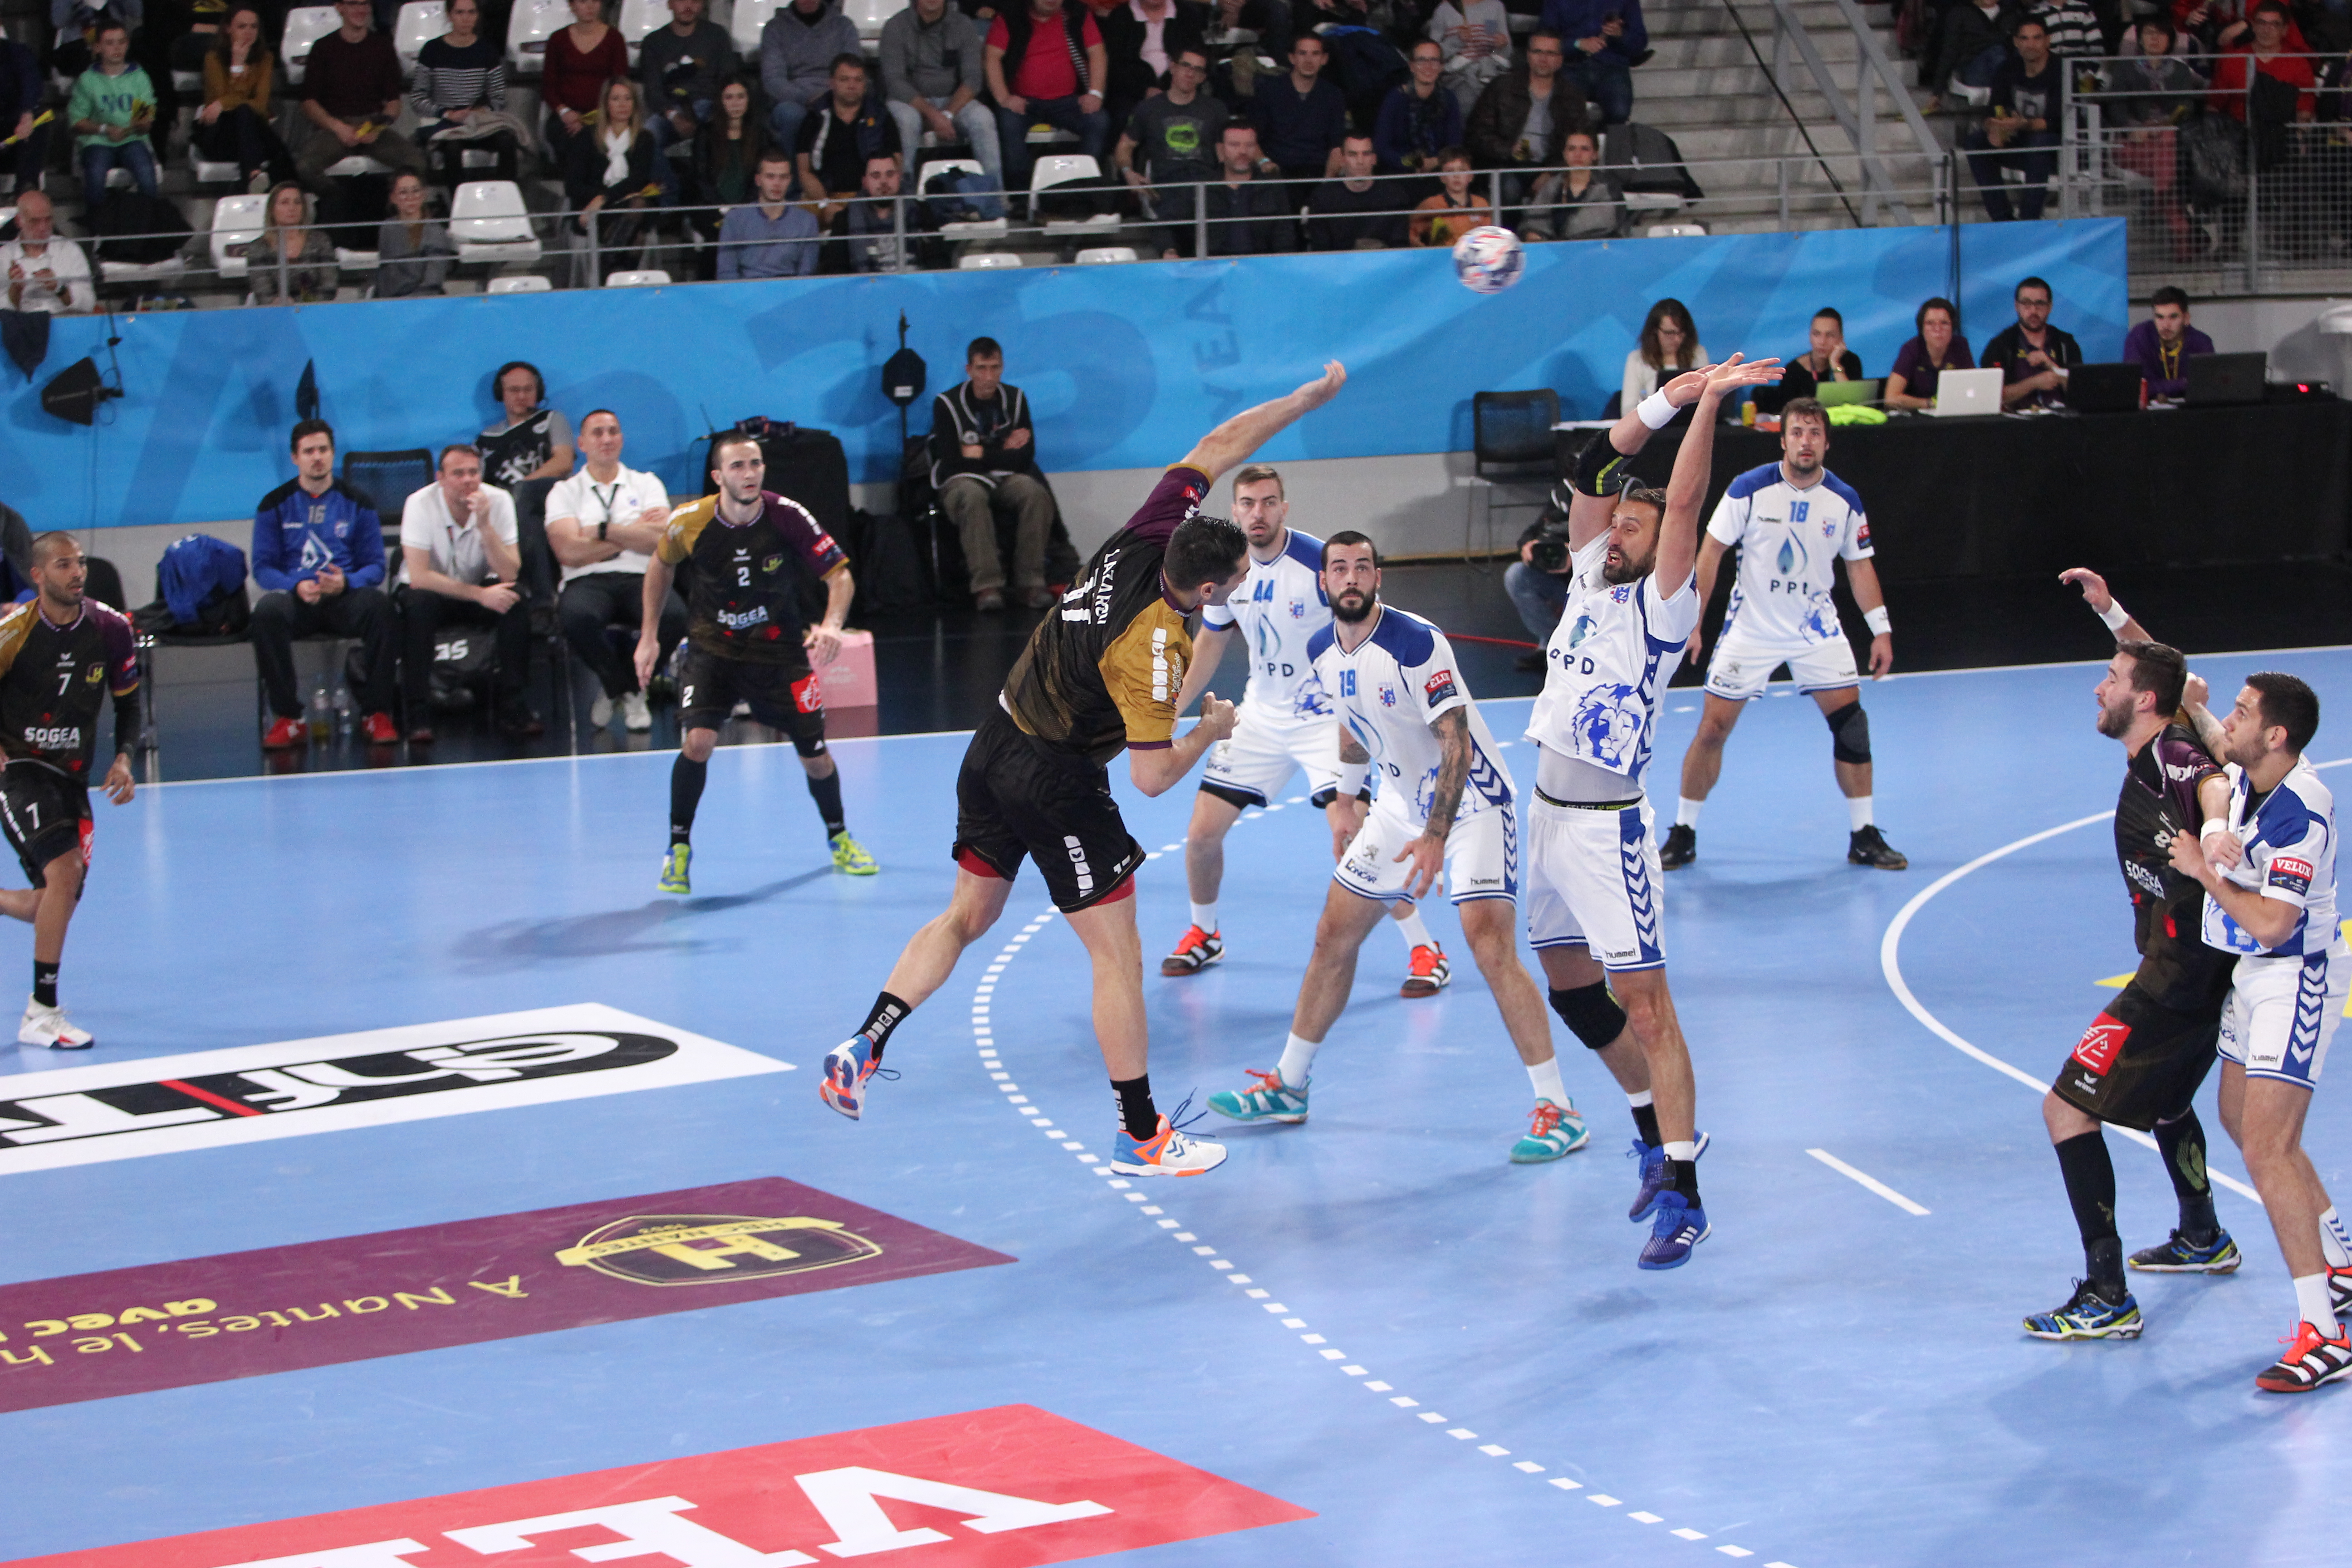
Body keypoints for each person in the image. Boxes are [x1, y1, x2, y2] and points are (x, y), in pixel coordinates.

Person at [816, 363, 1349, 1180]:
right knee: (1116, 957)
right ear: (1206, 586)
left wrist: (1303, 401)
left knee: (965, 915)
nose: (1240, 587)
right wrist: (1207, 732)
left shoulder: (1141, 534)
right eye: (1234, 583)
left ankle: (864, 1040)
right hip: (1054, 779)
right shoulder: (1159, 650)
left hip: (992, 739)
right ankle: (1140, 1133)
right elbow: (1148, 780)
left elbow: (1217, 443)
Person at [1522, 352, 1782, 1268]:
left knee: (1650, 1008)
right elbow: (1594, 466)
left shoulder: (1667, 606)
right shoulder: (1592, 574)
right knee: (1563, 976)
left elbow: (1686, 500)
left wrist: (1707, 406)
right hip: (1548, 819)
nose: (1620, 525)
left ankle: (1686, 1186)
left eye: (1636, 519)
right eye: (1617, 519)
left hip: (1606, 830)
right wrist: (1665, 398)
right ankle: (1646, 1127)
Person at [1205, 528, 1580, 1159]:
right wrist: (1349, 800)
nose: (1351, 578)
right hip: (1397, 810)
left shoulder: (1415, 643)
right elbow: (1352, 729)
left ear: (1378, 578)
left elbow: (1454, 742)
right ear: (1324, 583)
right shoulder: (1324, 648)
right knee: (1334, 935)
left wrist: (1436, 835)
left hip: (1473, 808)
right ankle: (1289, 1086)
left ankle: (1559, 1109)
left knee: (1488, 943)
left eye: (1363, 568)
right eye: (1340, 569)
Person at [2020, 571, 2239, 1343]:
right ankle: (2200, 1232)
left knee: (2064, 1108)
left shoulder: (2177, 759)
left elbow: (2210, 785)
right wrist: (2106, 609)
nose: (2096, 688)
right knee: (2167, 1097)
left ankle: (2105, 1291)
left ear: (2140, 702)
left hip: (2174, 981)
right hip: (2195, 968)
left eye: (2108, 681)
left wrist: (2211, 838)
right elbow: (2153, 661)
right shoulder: (2157, 726)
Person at [1161, 466, 1444, 995]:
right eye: (1248, 503)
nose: (1258, 514)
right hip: (1260, 718)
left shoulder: (1318, 563)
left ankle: (1426, 947)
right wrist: (1174, 709)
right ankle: (1205, 931)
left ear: (1284, 508)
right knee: (1201, 836)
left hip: (1326, 721)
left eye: (1269, 502)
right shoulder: (1229, 570)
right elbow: (1213, 640)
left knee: (1356, 837)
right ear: (1235, 507)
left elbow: (1366, 620)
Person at [2163, 672, 2352, 1392]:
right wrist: (2111, 613)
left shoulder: (2303, 810)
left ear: (2276, 735)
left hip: (2296, 976)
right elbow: (2177, 691)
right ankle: (2341, 1261)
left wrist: (2203, 869)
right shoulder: (2249, 766)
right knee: (2241, 1122)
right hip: (2254, 972)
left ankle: (2325, 1335)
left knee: (2270, 1147)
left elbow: (2276, 922)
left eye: (2242, 713)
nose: (2226, 723)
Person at [1660, 396, 1906, 872]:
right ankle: (1683, 833)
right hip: (1751, 628)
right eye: (1798, 432)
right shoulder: (1748, 490)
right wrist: (1694, 622)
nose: (1806, 441)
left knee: (1852, 727)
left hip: (1816, 630)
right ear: (1783, 439)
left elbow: (1860, 567)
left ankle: (1864, 835)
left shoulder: (1845, 500)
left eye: (1814, 433)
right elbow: (1709, 553)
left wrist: (1881, 631)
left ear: (1827, 442)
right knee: (1712, 729)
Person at [636, 434, 875, 892]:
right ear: (718, 476)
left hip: (778, 654)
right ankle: (678, 848)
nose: (749, 474)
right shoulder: (689, 521)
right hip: (712, 649)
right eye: (739, 466)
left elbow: (839, 576)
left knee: (816, 757)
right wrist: (648, 637)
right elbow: (660, 566)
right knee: (698, 742)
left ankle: (840, 837)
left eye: (756, 464)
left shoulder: (787, 515)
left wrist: (830, 625)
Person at [0, 534, 138, 1051]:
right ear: (38, 575)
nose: (77, 572)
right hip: (18, 768)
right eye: (64, 565)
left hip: (72, 775)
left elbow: (129, 703)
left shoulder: (110, 628)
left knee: (55, 902)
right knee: (66, 872)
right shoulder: (12, 632)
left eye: (80, 563)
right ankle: (42, 1013)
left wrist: (123, 757)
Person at [250, 419, 399, 750]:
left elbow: (376, 565)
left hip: (343, 598)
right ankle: (289, 718)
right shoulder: (274, 504)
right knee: (266, 613)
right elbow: (262, 567)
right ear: (295, 458)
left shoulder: (358, 501)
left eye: (323, 450)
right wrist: (296, 585)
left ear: (333, 454)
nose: (317, 457)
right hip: (299, 599)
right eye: (309, 452)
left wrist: (346, 583)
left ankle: (376, 713)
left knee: (382, 608)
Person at [547, 408, 683, 733]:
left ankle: (631, 689)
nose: (606, 439)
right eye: (597, 433)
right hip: (586, 579)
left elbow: (660, 542)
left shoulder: (647, 484)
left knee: (675, 615)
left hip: (642, 575)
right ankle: (619, 687)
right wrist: (632, 531)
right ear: (581, 443)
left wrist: (603, 530)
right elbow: (568, 551)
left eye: (613, 432)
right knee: (577, 617)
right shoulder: (565, 492)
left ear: (621, 439)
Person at [397, 445, 540, 743]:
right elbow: (420, 577)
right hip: (430, 590)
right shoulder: (419, 503)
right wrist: (478, 595)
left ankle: (513, 705)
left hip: (475, 587)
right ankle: (418, 711)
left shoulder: (498, 501)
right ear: (441, 478)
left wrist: (486, 526)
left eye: (473, 472)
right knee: (418, 605)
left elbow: (510, 573)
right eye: (458, 474)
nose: (467, 480)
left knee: (515, 599)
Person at [932, 337, 1056, 612]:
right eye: (982, 368)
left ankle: (1031, 582)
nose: (989, 376)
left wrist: (979, 452)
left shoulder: (1016, 399)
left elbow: (1025, 457)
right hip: (961, 480)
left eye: (995, 368)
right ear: (969, 370)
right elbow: (952, 461)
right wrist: (1002, 449)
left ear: (1003, 368)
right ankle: (987, 586)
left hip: (1005, 476)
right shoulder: (947, 404)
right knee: (972, 496)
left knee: (1034, 492)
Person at [294, 0, 427, 192]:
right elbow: (309, 103)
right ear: (340, 7)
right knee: (305, 166)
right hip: (335, 126)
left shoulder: (382, 47)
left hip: (372, 123)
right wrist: (338, 128)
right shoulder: (323, 48)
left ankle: (393, 205)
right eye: (353, 4)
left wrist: (379, 126)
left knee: (417, 163)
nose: (360, 10)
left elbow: (394, 102)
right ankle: (339, 202)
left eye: (364, 4)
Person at [1115, 43, 1225, 257]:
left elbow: (1224, 152)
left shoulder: (1215, 109)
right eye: (1186, 66)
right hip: (1167, 186)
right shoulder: (1149, 108)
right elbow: (1124, 146)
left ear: (1203, 78)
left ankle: (1174, 251)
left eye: (1198, 70)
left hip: (1205, 187)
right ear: (1173, 68)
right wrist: (1129, 173)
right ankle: (1170, 252)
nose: (1191, 73)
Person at [985, 0, 1109, 190]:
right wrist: (1004, 98)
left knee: (1099, 121)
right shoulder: (1011, 17)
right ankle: (1022, 196)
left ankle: (1082, 187)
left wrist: (1095, 93)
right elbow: (992, 57)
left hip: (1068, 101)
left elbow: (1097, 52)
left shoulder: (1077, 15)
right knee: (1008, 123)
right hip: (1024, 103)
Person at [879, 0, 1001, 185]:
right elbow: (895, 82)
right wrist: (933, 115)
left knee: (983, 119)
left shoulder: (963, 25)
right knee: (905, 122)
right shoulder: (895, 26)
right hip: (909, 102)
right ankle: (903, 199)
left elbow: (973, 80)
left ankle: (995, 198)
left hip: (953, 100)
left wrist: (946, 114)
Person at [1964, 16, 2063, 222]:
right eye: (2024, 39)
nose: (2031, 44)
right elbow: (1992, 111)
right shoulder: (2008, 68)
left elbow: (2057, 122)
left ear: (2048, 41)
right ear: (2017, 42)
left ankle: (2029, 219)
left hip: (2056, 149)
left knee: (2040, 142)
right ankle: (2002, 218)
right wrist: (1995, 128)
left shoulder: (2060, 70)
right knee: (1976, 141)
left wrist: (2023, 124)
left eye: (2037, 38)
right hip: (2018, 138)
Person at [563, 75, 662, 279]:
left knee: (638, 205)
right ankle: (620, 280)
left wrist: (603, 198)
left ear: (635, 104)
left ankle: (607, 269)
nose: (623, 105)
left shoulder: (644, 139)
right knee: (637, 236)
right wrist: (596, 200)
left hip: (626, 204)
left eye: (628, 99)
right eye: (616, 99)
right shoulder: (587, 137)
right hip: (593, 208)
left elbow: (636, 180)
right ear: (606, 104)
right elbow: (573, 185)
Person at [409, 0, 518, 184]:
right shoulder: (432, 50)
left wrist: (480, 112)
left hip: (479, 122)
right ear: (450, 15)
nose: (466, 19)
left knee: (507, 141)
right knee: (453, 148)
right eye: (460, 13)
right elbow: (418, 97)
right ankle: (456, 205)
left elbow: (499, 96)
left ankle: (505, 197)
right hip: (446, 124)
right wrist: (447, 113)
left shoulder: (487, 50)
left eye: (471, 13)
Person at [1465, 31, 1587, 187]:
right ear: (1528, 55)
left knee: (1558, 189)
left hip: (1552, 168)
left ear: (1560, 59)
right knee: (1509, 189)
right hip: (1507, 165)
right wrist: (1509, 150)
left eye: (1551, 53)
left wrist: (1551, 172)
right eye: (1538, 52)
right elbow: (1477, 133)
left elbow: (1581, 141)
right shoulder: (1502, 87)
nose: (1543, 59)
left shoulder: (1572, 96)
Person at [195, 7, 294, 195]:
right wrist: (238, 66)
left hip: (252, 132)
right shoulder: (213, 59)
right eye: (242, 27)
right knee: (244, 113)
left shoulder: (265, 58)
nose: (249, 32)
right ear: (228, 29)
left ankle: (256, 178)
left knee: (245, 113)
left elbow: (261, 105)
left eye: (254, 27)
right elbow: (224, 107)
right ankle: (261, 177)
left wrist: (222, 104)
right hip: (220, 135)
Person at [794, 53, 900, 226]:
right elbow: (804, 171)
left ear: (865, 85)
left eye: (858, 80)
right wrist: (826, 204)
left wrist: (868, 203)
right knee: (797, 222)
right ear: (831, 83)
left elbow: (896, 163)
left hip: (868, 198)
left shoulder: (881, 116)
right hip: (824, 198)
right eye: (845, 79)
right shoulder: (815, 116)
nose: (852, 85)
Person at [68, 19, 158, 216]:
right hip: (97, 141)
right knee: (95, 173)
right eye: (110, 43)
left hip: (132, 139)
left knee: (146, 174)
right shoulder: (87, 80)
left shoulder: (139, 77)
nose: (117, 48)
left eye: (121, 42)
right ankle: (98, 227)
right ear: (98, 47)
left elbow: (145, 123)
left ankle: (149, 226)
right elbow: (77, 122)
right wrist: (105, 130)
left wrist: (141, 124)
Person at [639, 0, 738, 158]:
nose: (688, 6)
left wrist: (716, 112)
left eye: (695, 1)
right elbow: (653, 91)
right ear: (670, 4)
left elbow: (728, 79)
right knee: (647, 138)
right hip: (670, 111)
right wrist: (674, 117)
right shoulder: (654, 42)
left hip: (711, 108)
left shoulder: (717, 36)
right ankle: (667, 182)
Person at [761, 0, 862, 156]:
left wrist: (831, 98)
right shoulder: (775, 29)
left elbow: (853, 69)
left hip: (836, 96)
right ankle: (793, 178)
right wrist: (807, 98)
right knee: (791, 115)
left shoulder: (844, 27)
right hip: (794, 100)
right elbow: (773, 80)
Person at [1098, 0, 1205, 140]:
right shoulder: (1121, 16)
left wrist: (1173, 89)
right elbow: (1115, 66)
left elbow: (1198, 56)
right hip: (1133, 91)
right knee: (1122, 114)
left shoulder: (1186, 14)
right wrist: (1144, 90)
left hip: (1179, 87)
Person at [544, 0, 630, 172]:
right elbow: (549, 86)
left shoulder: (614, 39)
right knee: (571, 137)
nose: (590, 7)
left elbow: (619, 84)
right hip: (566, 117)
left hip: (604, 114)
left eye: (595, 1)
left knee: (590, 138)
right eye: (583, 1)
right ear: (572, 5)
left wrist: (597, 117)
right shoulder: (558, 40)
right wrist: (565, 112)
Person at [1253, 32, 1349, 185]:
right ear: (1292, 58)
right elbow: (1252, 138)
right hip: (1277, 171)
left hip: (1317, 171)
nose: (1309, 60)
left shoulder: (1334, 95)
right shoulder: (1269, 91)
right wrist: (1264, 163)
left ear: (1324, 59)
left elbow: (1336, 147)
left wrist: (1326, 185)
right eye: (1302, 53)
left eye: (1316, 54)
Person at [1196, 122, 1298, 257]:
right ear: (1221, 149)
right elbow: (1177, 223)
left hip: (1261, 267)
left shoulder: (1272, 185)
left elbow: (1285, 233)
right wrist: (1170, 250)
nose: (1243, 152)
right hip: (1212, 268)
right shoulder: (1202, 186)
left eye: (1250, 145)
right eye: (1235, 145)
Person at [1538, 0, 1645, 126]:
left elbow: (1639, 44)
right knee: (1567, 112)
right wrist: (1578, 44)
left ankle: (1605, 141)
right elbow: (1544, 40)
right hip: (1571, 65)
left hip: (1612, 66)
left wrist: (1621, 34)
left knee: (1619, 111)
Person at [1983, 274, 2082, 409]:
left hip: (2063, 423)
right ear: (2017, 306)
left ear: (2050, 307)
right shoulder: (2001, 345)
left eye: (2040, 304)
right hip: (2015, 426)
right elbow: (1992, 397)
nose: (2033, 311)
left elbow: (2081, 393)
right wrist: (2034, 383)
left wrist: (2052, 367)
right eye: (2026, 303)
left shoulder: (2065, 343)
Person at [719, 147, 821, 278]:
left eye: (783, 177)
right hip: (747, 292)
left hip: (790, 292)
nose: (777, 184)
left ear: (790, 180)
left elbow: (807, 274)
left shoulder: (807, 221)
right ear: (758, 180)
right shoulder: (735, 219)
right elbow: (726, 273)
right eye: (770, 177)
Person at [2209, 3, 2318, 124]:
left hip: (2282, 134)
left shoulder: (2299, 65)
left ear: (2285, 30)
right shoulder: (2232, 59)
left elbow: (2305, 109)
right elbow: (2213, 105)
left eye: (2275, 25)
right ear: (2253, 26)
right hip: (2237, 134)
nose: (2267, 30)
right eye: (2262, 23)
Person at [478, 361, 575, 490]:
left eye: (528, 390)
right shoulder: (486, 439)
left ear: (538, 393)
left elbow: (564, 462)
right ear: (501, 393)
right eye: (514, 390)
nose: (522, 396)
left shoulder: (551, 420)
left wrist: (522, 489)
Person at [691, 74, 774, 217]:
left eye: (741, 97)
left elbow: (761, 180)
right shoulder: (705, 134)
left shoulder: (761, 136)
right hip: (712, 210)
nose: (735, 104)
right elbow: (701, 179)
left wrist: (742, 209)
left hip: (751, 210)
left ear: (749, 100)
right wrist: (722, 208)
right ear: (720, 101)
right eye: (729, 98)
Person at [1377, 39, 1464, 176]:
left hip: (1440, 173)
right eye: (1421, 61)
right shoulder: (1395, 98)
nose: (1428, 66)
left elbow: (1454, 145)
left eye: (1434, 61)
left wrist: (1435, 162)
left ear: (1441, 66)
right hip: (1400, 174)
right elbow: (1382, 147)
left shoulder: (1449, 99)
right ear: (1411, 66)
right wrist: (1413, 164)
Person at [0, 191, 95, 316]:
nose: (43, 227)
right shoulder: (4, 256)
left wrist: (60, 288)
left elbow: (89, 303)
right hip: (21, 327)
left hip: (63, 323)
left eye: (48, 220)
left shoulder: (69, 250)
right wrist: (15, 291)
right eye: (35, 221)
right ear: (19, 221)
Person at [246, 180, 340, 304]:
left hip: (315, 309)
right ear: (272, 210)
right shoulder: (258, 247)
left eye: (297, 203)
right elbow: (263, 292)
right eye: (285, 203)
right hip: (277, 313)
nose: (292, 208)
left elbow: (329, 287)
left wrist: (300, 304)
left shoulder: (321, 241)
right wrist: (281, 304)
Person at [1307, 133, 1406, 249]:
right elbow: (1321, 251)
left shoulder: (1395, 196)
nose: (1360, 161)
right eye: (1353, 155)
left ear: (1374, 159)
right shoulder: (1322, 198)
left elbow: (1400, 247)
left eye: (1366, 154)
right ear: (1343, 160)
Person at [1924, 0, 2022, 112]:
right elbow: (1949, 52)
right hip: (1973, 71)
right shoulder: (1960, 13)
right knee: (1996, 52)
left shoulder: (2011, 15)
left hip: (2003, 70)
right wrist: (1937, 92)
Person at [2123, 285, 2216, 400]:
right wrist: (2183, 383)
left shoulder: (2202, 342)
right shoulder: (2140, 336)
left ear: (2186, 319)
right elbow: (2136, 386)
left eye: (2173, 317)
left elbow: (2206, 386)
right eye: (2160, 317)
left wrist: (2161, 388)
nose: (2166, 326)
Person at [829, 150, 914, 273]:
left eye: (890, 174)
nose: (884, 181)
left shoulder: (921, 211)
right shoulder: (843, 221)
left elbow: (938, 263)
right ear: (865, 182)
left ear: (899, 177)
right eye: (876, 176)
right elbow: (837, 271)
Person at [1883, 296, 1974, 410]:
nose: (1938, 329)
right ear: (1922, 329)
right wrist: (1930, 404)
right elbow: (1891, 399)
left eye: (1944, 323)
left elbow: (1973, 389)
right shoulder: (1911, 349)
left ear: (1953, 327)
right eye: (1930, 323)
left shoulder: (1961, 345)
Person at [1531, 124, 1622, 239]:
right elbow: (1534, 222)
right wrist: (1534, 235)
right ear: (1564, 154)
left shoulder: (1609, 187)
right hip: (1557, 253)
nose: (1577, 154)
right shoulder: (1551, 187)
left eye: (1585, 149)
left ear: (1595, 155)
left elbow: (1606, 225)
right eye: (1572, 149)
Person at [374, 170, 455, 297]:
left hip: (421, 302)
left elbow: (433, 283)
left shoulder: (435, 232)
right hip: (389, 303)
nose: (410, 197)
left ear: (424, 195)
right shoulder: (387, 229)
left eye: (415, 191)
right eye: (403, 192)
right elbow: (385, 275)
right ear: (393, 198)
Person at [1429, 0, 1511, 115]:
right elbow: (1432, 54)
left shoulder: (1495, 7)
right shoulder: (1444, 10)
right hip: (1457, 78)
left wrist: (1501, 46)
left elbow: (1506, 53)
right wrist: (1457, 41)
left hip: (1490, 77)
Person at [1622, 297, 1705, 411]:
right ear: (1655, 331)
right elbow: (1628, 410)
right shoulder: (1637, 359)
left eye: (1681, 333)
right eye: (1669, 333)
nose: (1677, 339)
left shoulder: (1698, 354)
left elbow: (1706, 400)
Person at [1409, 146, 1494, 245]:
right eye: (1450, 171)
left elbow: (1489, 237)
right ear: (1442, 177)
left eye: (1462, 171)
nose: (1456, 176)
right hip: (1443, 257)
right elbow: (1412, 232)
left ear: (1471, 176)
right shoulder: (1431, 204)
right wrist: (1426, 253)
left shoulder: (1481, 204)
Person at [0, 31, 47, 198]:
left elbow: (32, 82)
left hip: (13, 132)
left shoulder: (17, 53)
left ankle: (26, 188)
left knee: (38, 121)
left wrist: (27, 114)